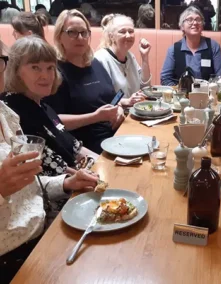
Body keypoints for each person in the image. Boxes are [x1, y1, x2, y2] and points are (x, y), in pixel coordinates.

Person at [0, 39, 99, 284]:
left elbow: (30, 184)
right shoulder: (18, 107)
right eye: (35, 67)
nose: (44, 75)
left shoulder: (6, 115)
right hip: (11, 257)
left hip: (42, 232)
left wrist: (66, 183)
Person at [1, 35, 98, 176]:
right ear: (16, 72)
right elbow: (54, 170)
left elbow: (75, 148)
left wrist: (102, 162)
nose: (45, 76)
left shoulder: (41, 104)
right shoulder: (13, 111)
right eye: (35, 68)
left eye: (50, 68)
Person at [43, 9, 125, 154]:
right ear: (59, 36)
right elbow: (53, 121)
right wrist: (95, 117)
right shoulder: (54, 71)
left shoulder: (96, 63)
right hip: (84, 147)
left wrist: (118, 110)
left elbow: (112, 99)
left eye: (84, 32)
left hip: (115, 135)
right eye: (72, 32)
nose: (80, 37)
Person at [95, 14, 151, 107]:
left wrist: (145, 58)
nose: (128, 36)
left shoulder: (130, 56)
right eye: (122, 32)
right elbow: (102, 100)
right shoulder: (101, 59)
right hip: (115, 116)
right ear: (111, 36)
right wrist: (127, 101)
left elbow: (145, 88)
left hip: (135, 112)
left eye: (131, 31)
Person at [160, 6, 221, 86]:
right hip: (180, 96)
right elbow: (165, 78)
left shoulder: (213, 46)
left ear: (202, 25)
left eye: (198, 20)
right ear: (182, 26)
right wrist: (179, 91)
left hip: (207, 95)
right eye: (190, 20)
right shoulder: (173, 50)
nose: (195, 23)